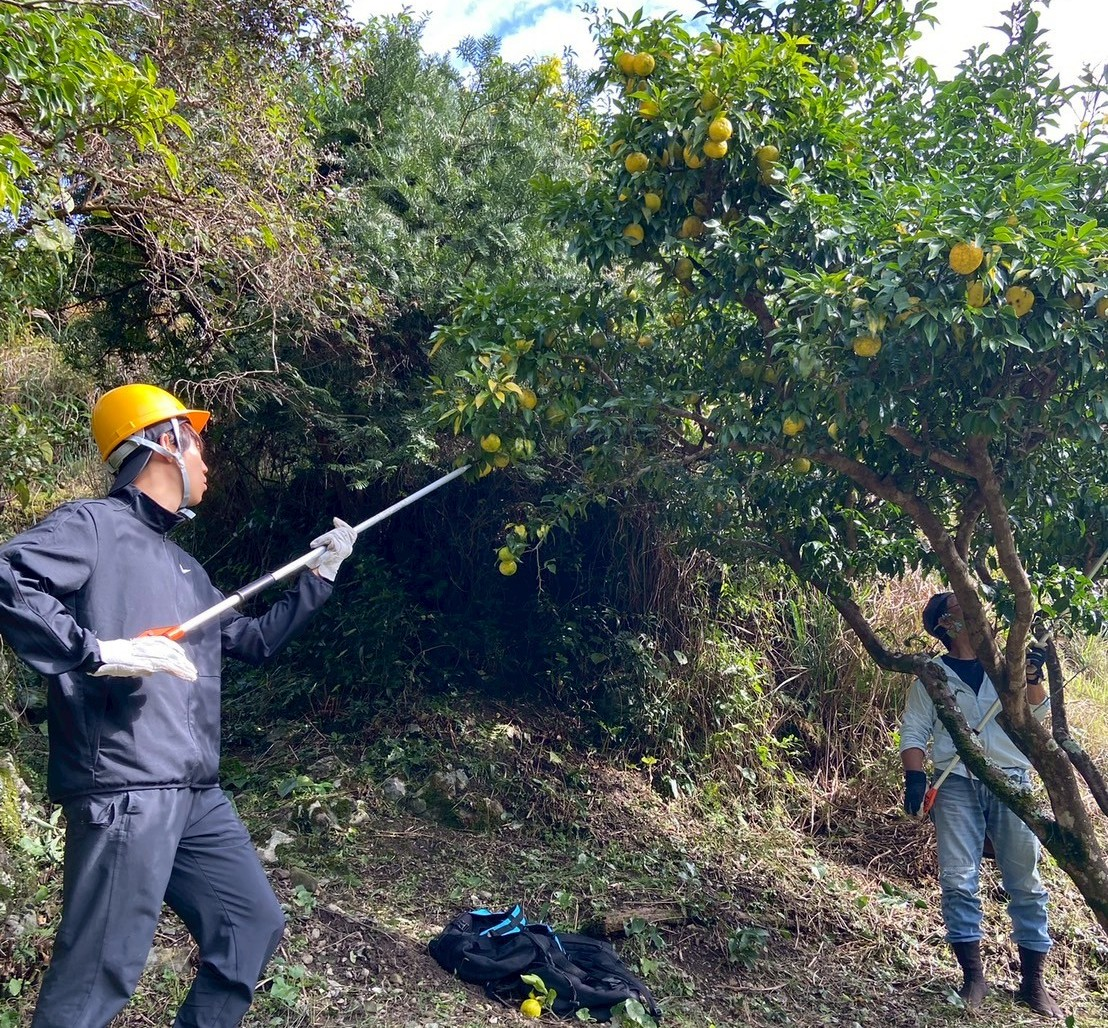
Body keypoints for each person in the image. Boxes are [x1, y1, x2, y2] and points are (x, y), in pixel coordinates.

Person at [0, 384, 357, 1028]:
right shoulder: (92, 529)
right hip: (126, 789)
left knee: (249, 924)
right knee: (97, 975)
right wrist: (95, 650)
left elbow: (252, 640)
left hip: (196, 794)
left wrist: (319, 578)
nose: (206, 465)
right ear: (166, 442)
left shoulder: (188, 570)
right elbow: (11, 576)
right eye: (198, 445)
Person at [900, 591, 1061, 1018]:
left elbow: (1036, 715)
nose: (973, 613)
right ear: (943, 626)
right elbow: (914, 732)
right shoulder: (930, 675)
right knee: (957, 878)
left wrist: (1029, 677)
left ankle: (1033, 984)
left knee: (1025, 880)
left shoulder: (1004, 667)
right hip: (954, 783)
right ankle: (973, 977)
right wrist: (915, 778)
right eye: (958, 609)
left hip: (1011, 779)